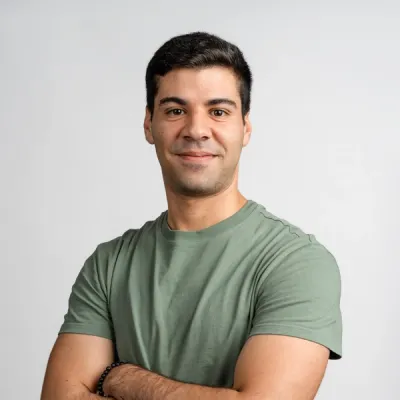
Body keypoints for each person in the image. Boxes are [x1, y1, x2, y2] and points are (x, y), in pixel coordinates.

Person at [41, 31, 342, 400]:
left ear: (245, 127)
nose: (197, 130)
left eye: (218, 111)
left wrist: (124, 379)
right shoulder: (109, 264)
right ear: (149, 124)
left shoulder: (296, 262)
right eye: (175, 110)